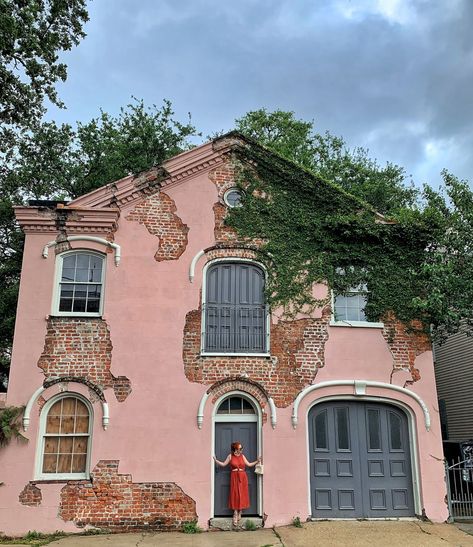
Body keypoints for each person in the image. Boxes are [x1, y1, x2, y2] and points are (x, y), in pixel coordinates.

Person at [213, 441, 261, 527]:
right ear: (235, 449)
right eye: (240, 448)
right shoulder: (230, 456)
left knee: (242, 494)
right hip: (234, 477)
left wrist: (257, 461)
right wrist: (216, 461)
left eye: (241, 448)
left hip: (242, 476)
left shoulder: (242, 456)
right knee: (235, 494)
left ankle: (240, 511)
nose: (241, 449)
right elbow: (224, 464)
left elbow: (249, 464)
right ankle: (235, 513)